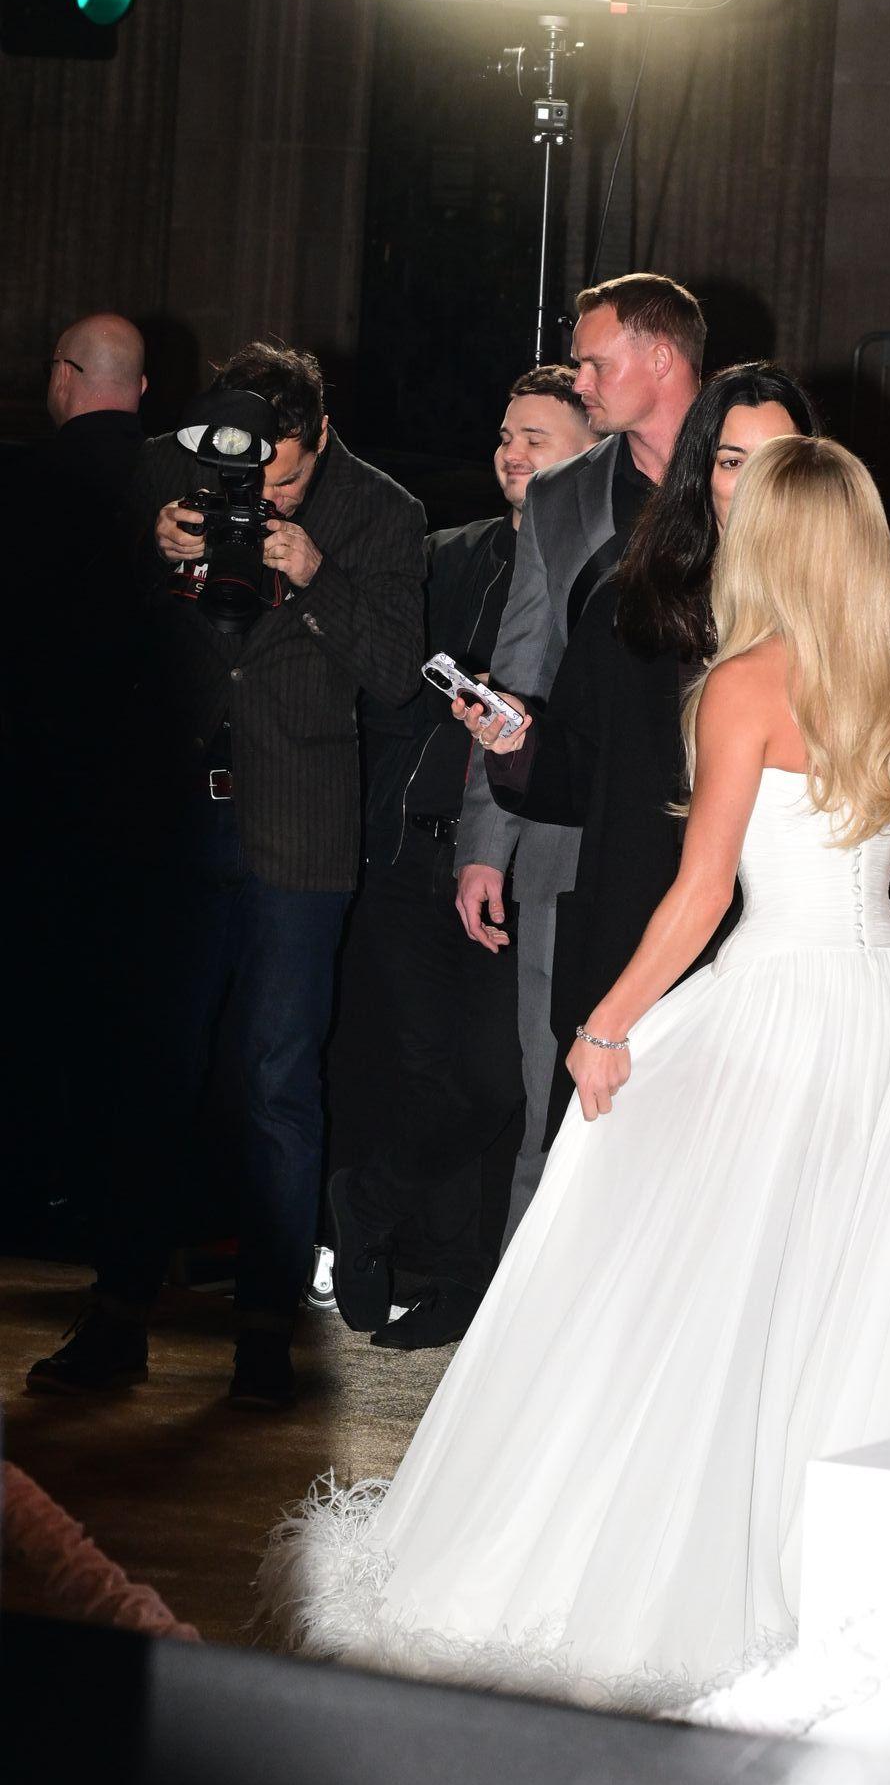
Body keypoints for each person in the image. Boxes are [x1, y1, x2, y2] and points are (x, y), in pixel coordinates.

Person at [261, 436, 890, 1707]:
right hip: (886, 1019)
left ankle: (664, 1561)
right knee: (845, 1296)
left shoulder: (747, 683)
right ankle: (834, 1607)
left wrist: (603, 1025)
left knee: (690, 1276)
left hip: (775, 1002)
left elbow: (699, 898)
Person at [26, 341, 426, 1411]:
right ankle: (118, 1315)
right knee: (147, 1075)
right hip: (168, 822)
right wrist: (147, 553)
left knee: (276, 1084)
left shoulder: (381, 511)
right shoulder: (160, 470)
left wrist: (318, 575)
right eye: (252, 474)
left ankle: (265, 1334)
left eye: (285, 479)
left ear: (322, 437)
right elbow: (71, 633)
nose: (264, 493)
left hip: (300, 829)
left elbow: (397, 677)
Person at [322, 366, 598, 1350]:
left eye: (536, 439)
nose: (511, 454)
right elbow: (379, 680)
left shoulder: (600, 574)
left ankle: (368, 1206)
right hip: (411, 855)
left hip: (518, 867)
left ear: (591, 458)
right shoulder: (445, 556)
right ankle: (441, 1282)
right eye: (505, 436)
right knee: (428, 1072)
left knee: (489, 1083)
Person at [478, 361, 820, 1139]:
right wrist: (516, 744)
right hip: (642, 939)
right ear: (702, 474)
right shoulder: (634, 604)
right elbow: (578, 777)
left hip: (784, 964)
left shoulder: (842, 618)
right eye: (732, 461)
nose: (755, 487)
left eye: (777, 462)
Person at [453, 272, 704, 1245]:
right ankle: (530, 1318)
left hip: (726, 846)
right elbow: (521, 666)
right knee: (556, 1108)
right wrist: (487, 845)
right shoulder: (562, 496)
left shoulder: (756, 472)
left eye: (596, 364)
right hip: (573, 835)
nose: (581, 382)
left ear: (660, 358)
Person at [2, 314, 149, 1249]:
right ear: (141, 390)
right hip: (153, 800)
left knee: (27, 1001)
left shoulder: (21, 483)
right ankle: (110, 1204)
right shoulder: (178, 480)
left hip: (30, 791)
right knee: (132, 1011)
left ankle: (24, 1197)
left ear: (63, 377)